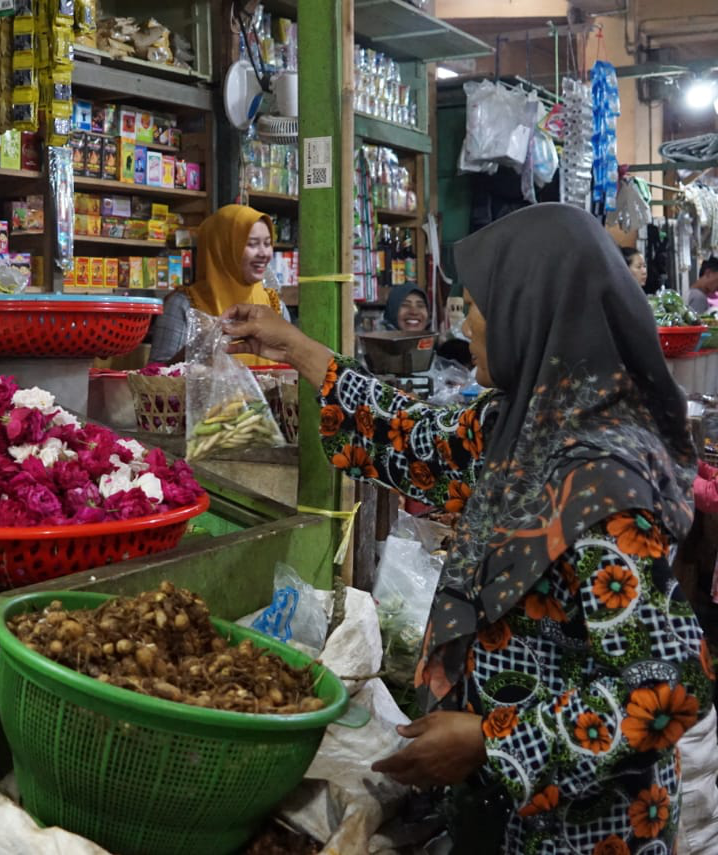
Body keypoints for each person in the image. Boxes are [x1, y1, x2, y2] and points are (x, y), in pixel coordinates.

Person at [224, 203, 713, 853]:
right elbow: (420, 442)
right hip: (500, 818)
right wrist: (295, 347)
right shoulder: (522, 424)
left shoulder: (602, 487)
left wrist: (490, 740)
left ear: (531, 313)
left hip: (583, 833)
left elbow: (668, 686)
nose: (467, 321)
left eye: (479, 304)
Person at [148, 204, 290, 365]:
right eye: (252, 244)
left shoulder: (275, 307)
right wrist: (199, 347)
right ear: (222, 249)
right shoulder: (183, 306)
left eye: (267, 243)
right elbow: (155, 378)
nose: (264, 253)